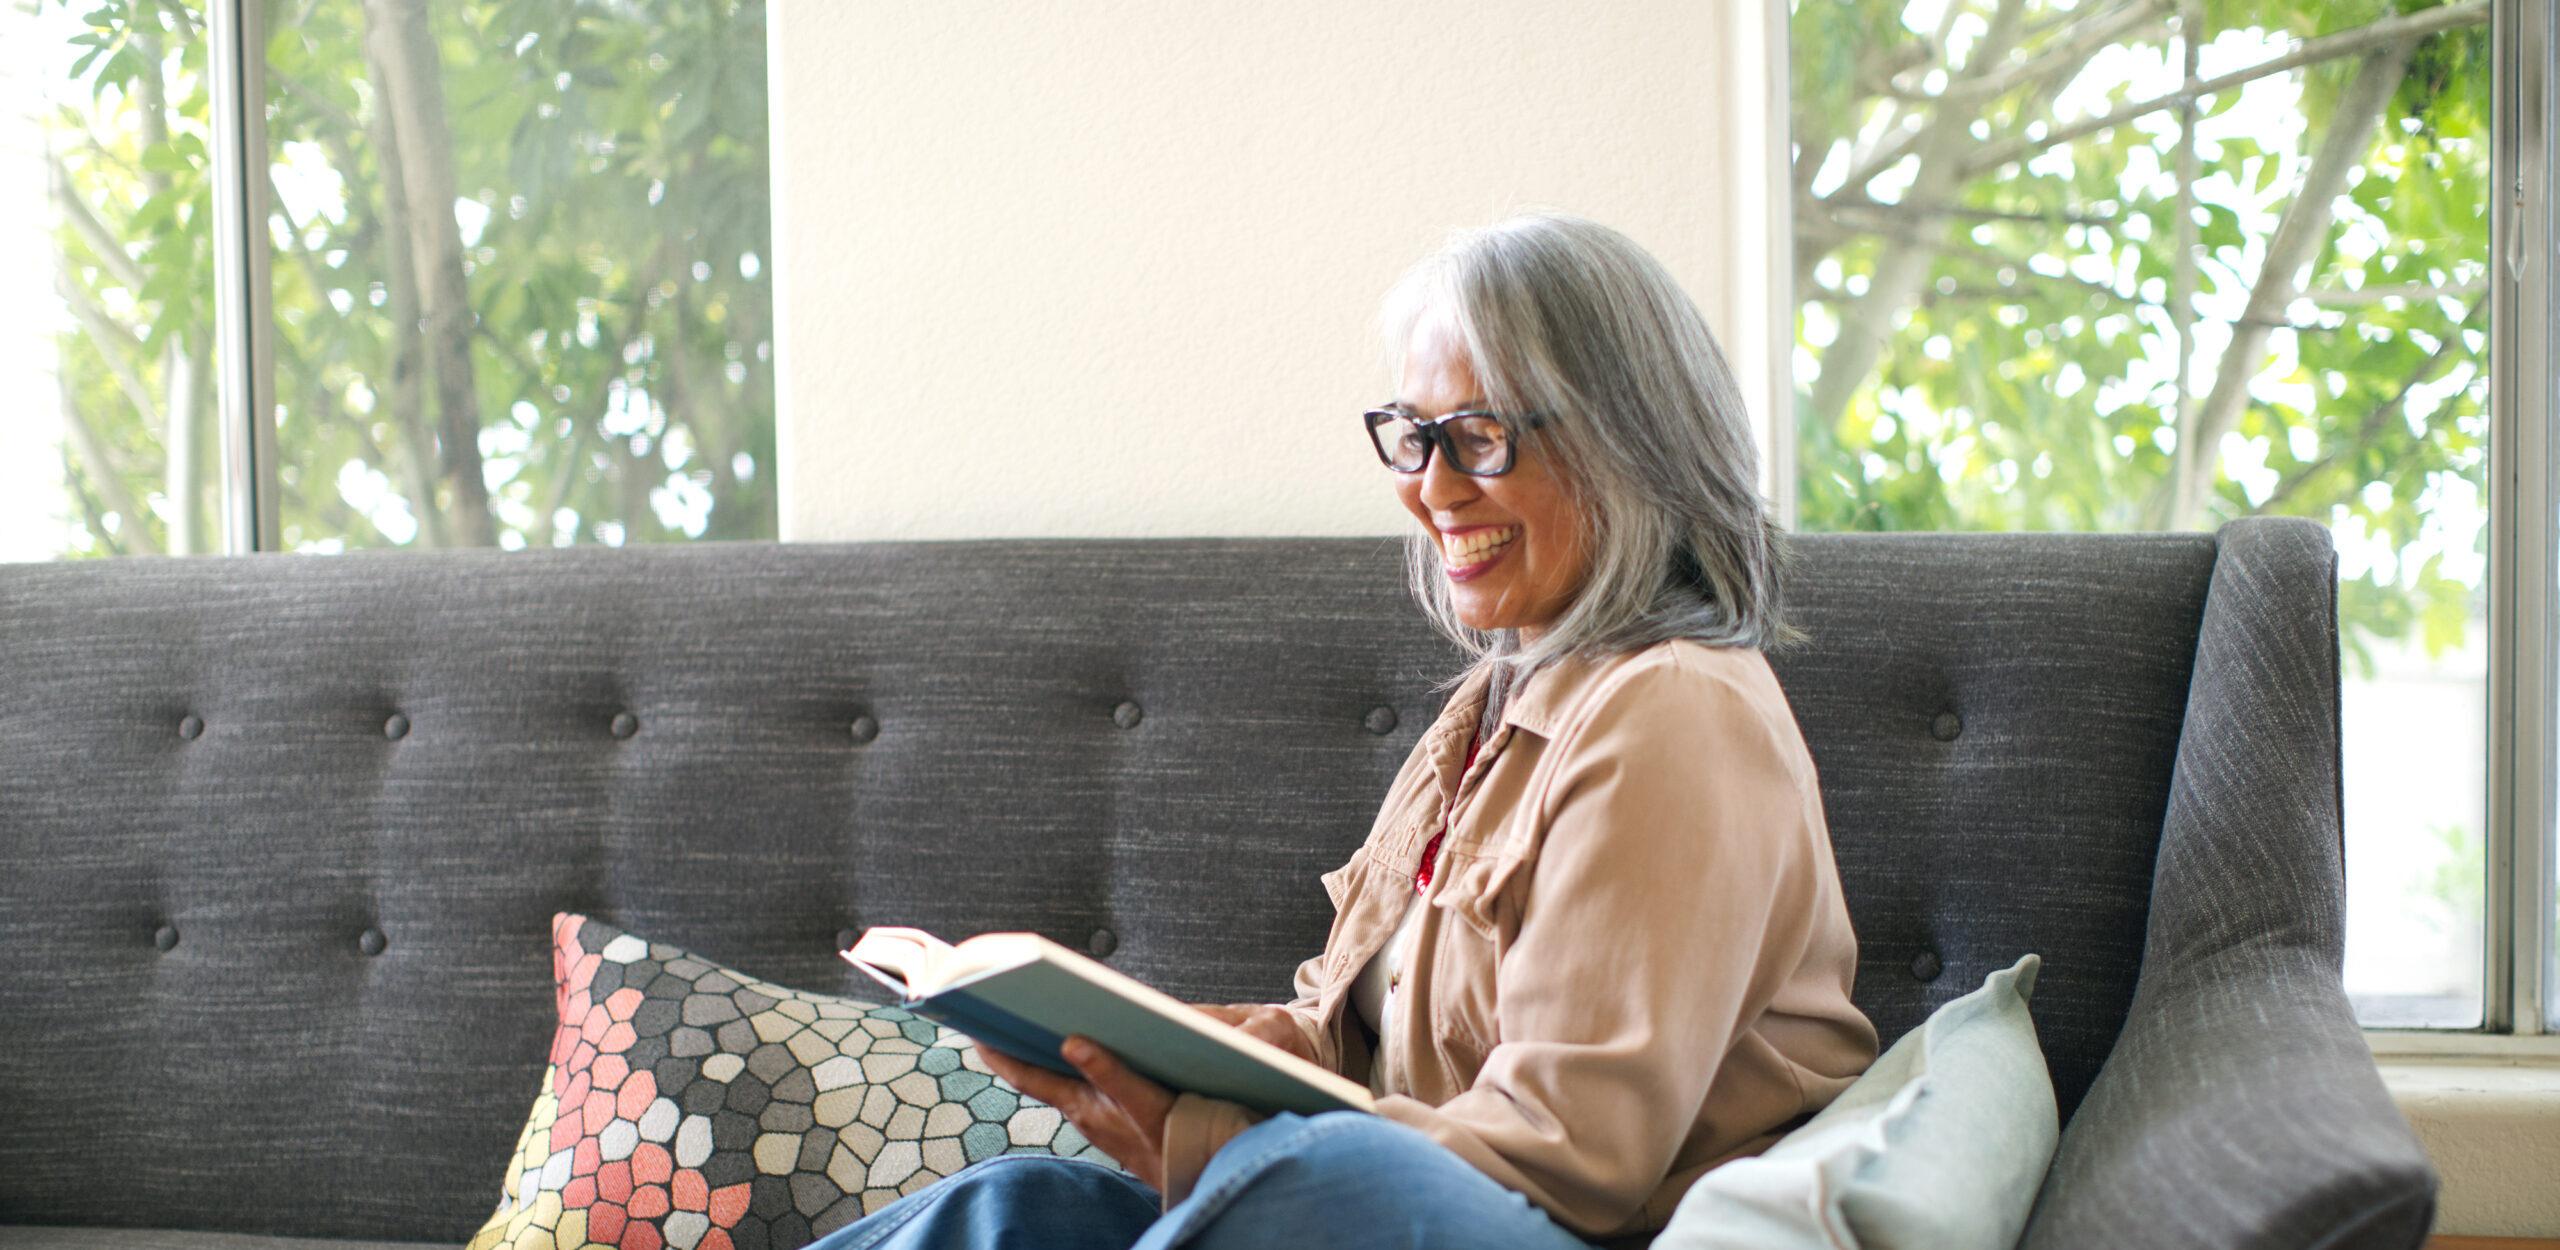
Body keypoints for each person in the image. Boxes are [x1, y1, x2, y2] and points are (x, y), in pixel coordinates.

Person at [807, 212, 1877, 1250]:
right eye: (1414, 436)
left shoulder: (1676, 709)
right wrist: (1142, 1049)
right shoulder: (1494, 704)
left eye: (1482, 437)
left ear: (1629, 443)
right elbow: (1342, 1033)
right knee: (1021, 1209)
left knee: (1324, 1181)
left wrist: (1203, 1137)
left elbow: (1568, 1158)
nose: (1430, 487)